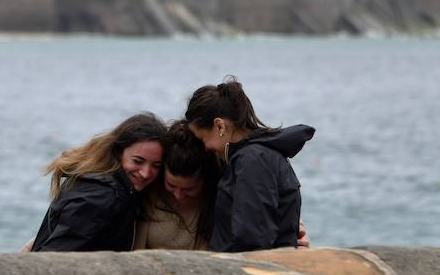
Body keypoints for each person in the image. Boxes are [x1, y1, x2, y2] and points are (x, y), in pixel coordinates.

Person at [185, 77, 314, 253]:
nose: (206, 147)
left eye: (202, 138)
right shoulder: (264, 154)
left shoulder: (251, 161)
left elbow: (253, 239)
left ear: (220, 126)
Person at [30, 113, 168, 252]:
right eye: (137, 161)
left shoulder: (99, 180)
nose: (146, 173)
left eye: (156, 165)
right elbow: (56, 253)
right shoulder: (100, 198)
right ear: (118, 152)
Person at [133, 121, 219, 251]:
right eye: (171, 185)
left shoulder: (217, 202)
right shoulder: (148, 193)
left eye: (189, 189)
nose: (179, 195)